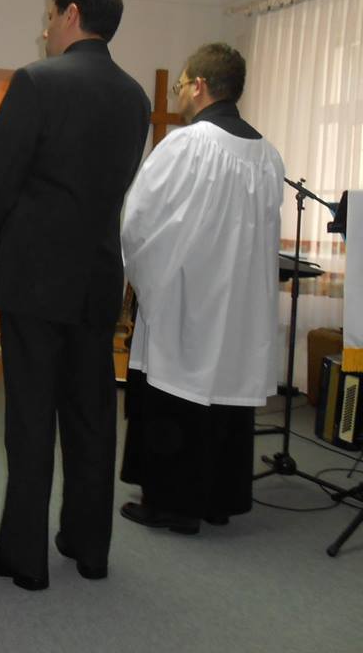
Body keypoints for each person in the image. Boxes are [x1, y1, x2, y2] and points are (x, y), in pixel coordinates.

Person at [0, 0, 150, 589]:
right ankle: (88, 546)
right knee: (92, 415)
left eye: (49, 16)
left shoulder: (36, 81)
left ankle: (25, 559)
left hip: (35, 277)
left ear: (71, 14)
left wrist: (10, 242)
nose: (45, 29)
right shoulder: (135, 97)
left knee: (30, 419)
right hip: (98, 276)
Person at [119, 43, 284, 533]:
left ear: (199, 86)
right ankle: (218, 501)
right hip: (241, 307)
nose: (178, 94)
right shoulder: (268, 155)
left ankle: (173, 506)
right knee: (225, 398)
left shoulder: (187, 145)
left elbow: (140, 220)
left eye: (181, 84)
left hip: (187, 301)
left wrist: (143, 282)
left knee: (176, 397)